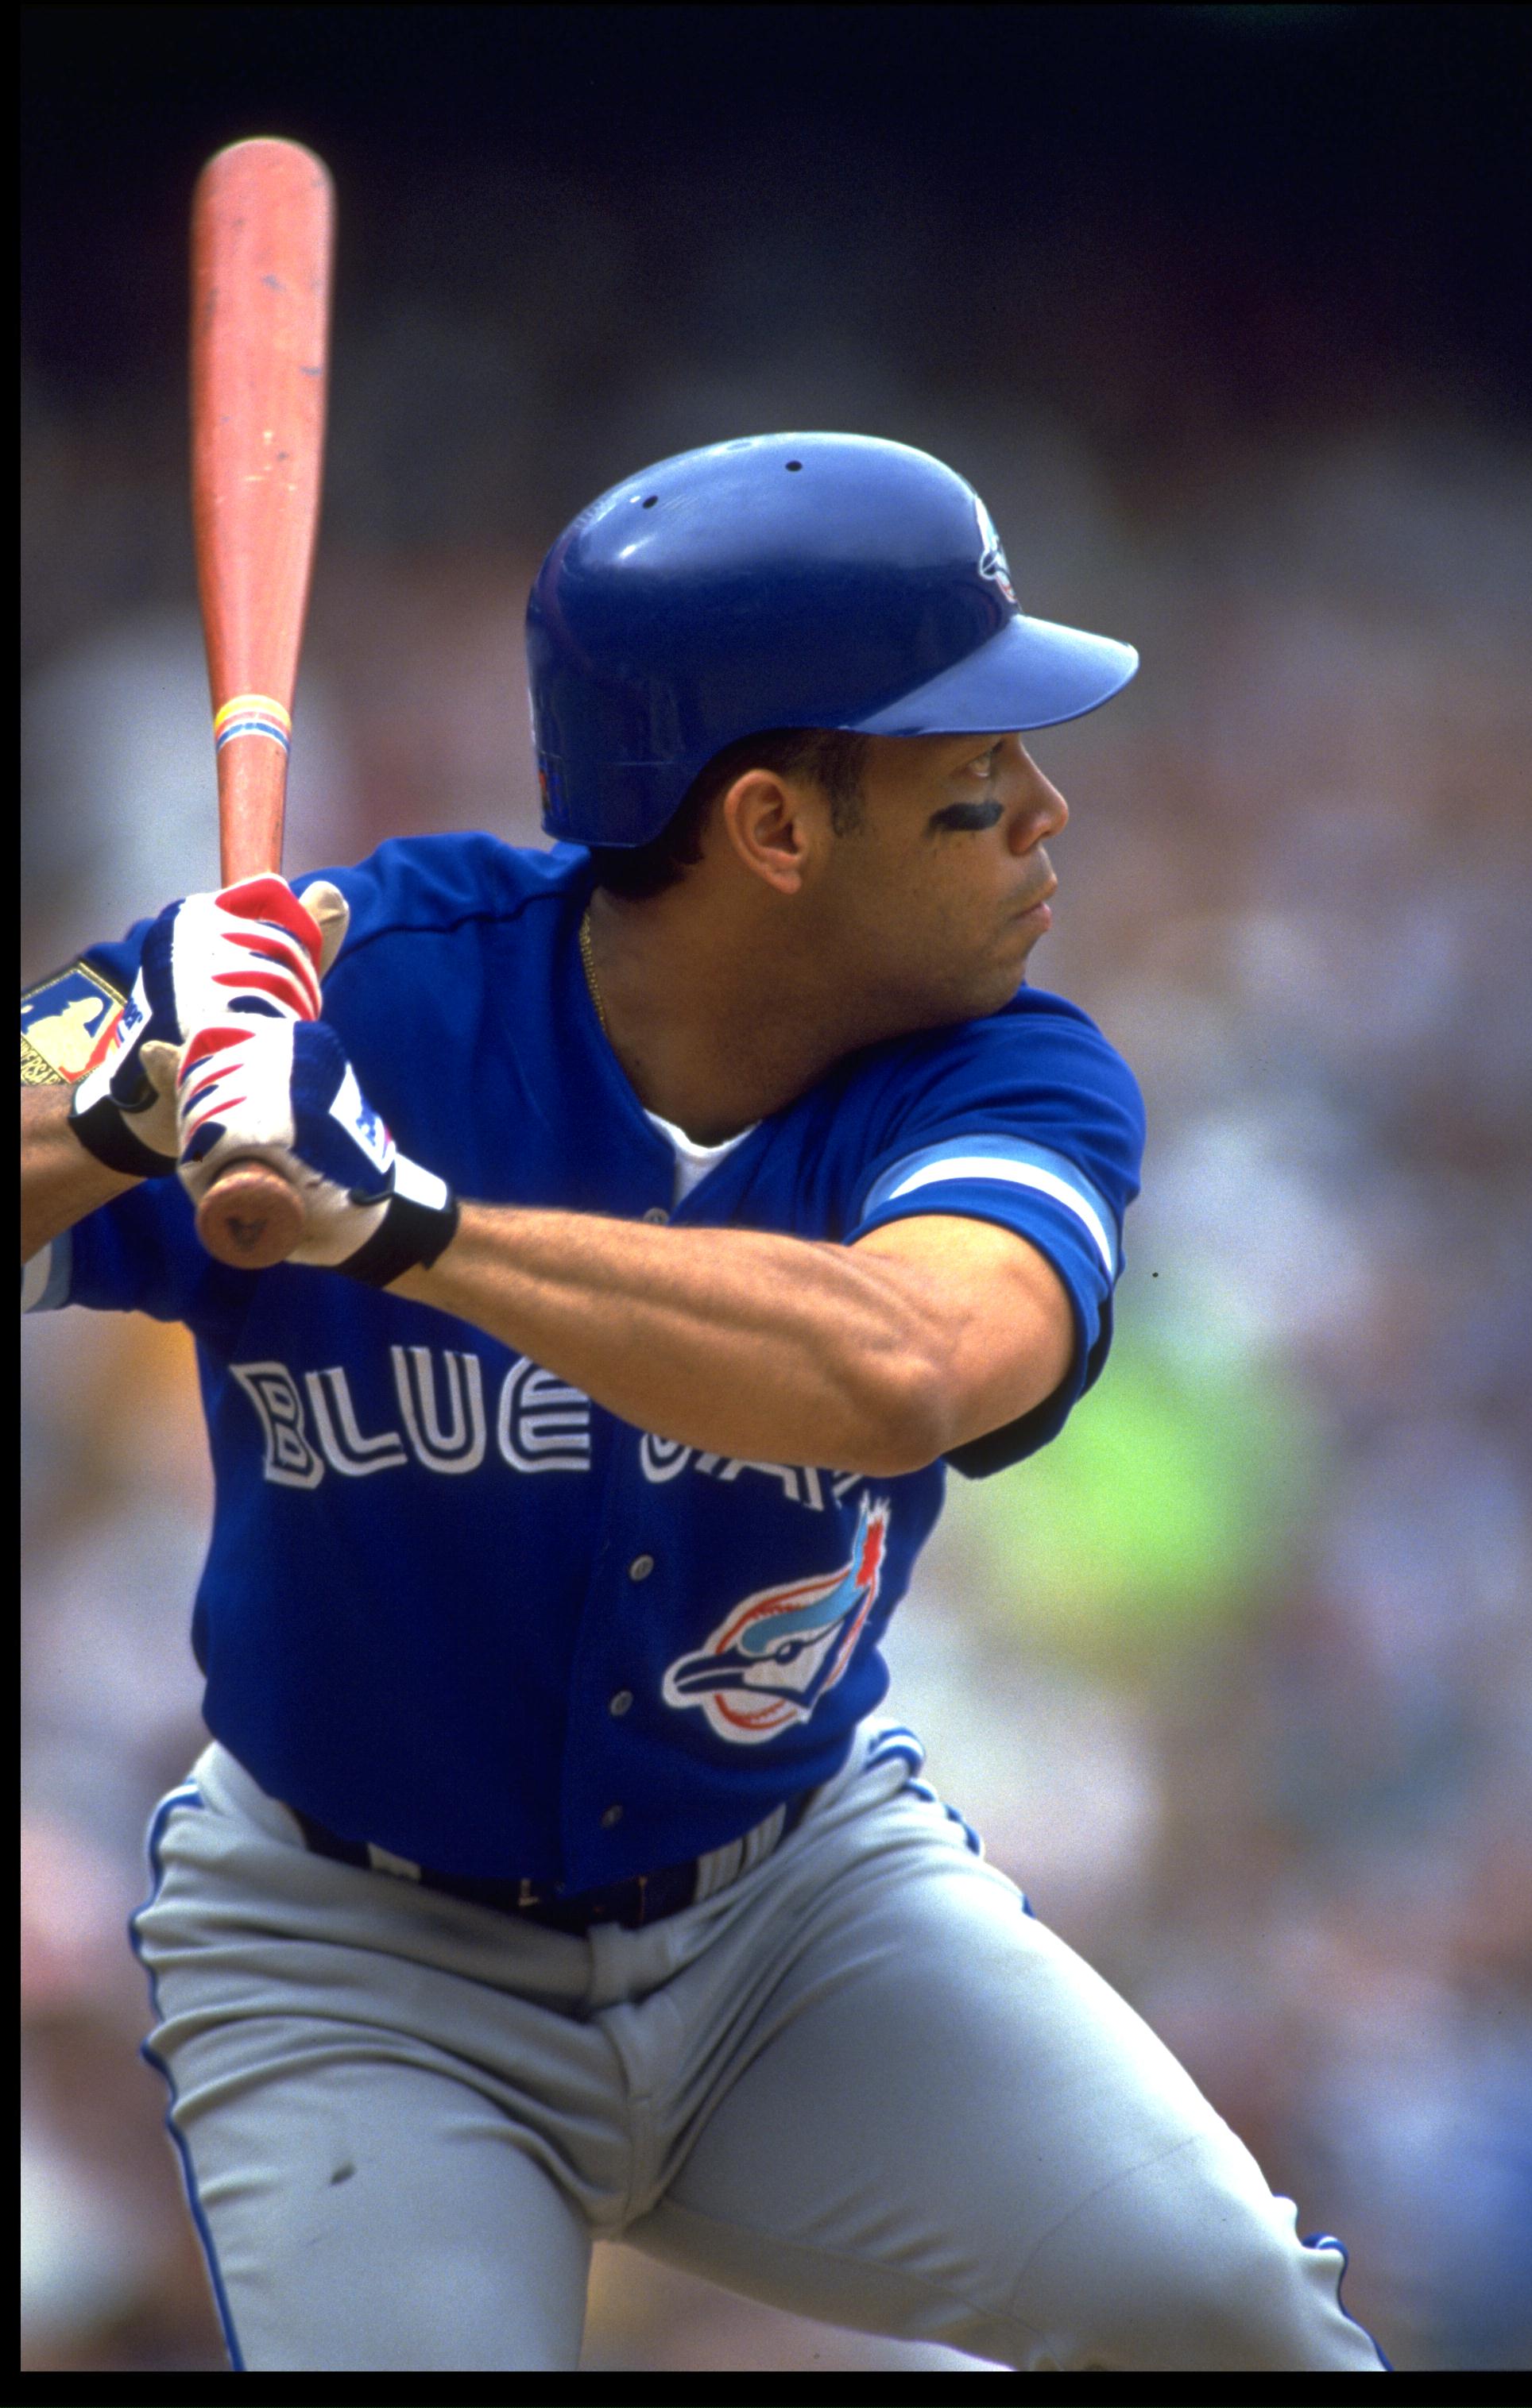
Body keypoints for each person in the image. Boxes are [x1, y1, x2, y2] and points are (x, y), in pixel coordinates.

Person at [20, 432, 1389, 2374]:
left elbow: (905, 1367)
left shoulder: (1012, 1078)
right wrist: (115, 1100)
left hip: (794, 1919)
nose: (1049, 815)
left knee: (1235, 2313)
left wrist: (404, 1225)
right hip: (357, 1958)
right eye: (977, 783)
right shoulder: (339, 985)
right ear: (772, 828)